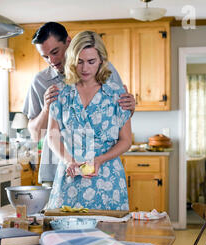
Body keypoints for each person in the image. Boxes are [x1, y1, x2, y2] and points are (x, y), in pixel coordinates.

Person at [22, 22, 135, 187]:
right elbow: (35, 134)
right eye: (45, 57)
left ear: (68, 42)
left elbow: (120, 115)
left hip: (100, 169)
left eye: (55, 52)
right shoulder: (41, 81)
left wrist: (131, 107)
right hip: (56, 169)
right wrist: (47, 108)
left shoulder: (105, 70)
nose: (52, 61)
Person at [46, 30, 132, 211]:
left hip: (107, 180)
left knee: (109, 236)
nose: (85, 68)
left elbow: (126, 140)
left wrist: (100, 160)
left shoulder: (116, 94)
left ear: (101, 60)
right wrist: (68, 160)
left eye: (91, 62)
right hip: (70, 178)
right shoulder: (60, 93)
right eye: (80, 62)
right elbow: (52, 136)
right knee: (65, 235)